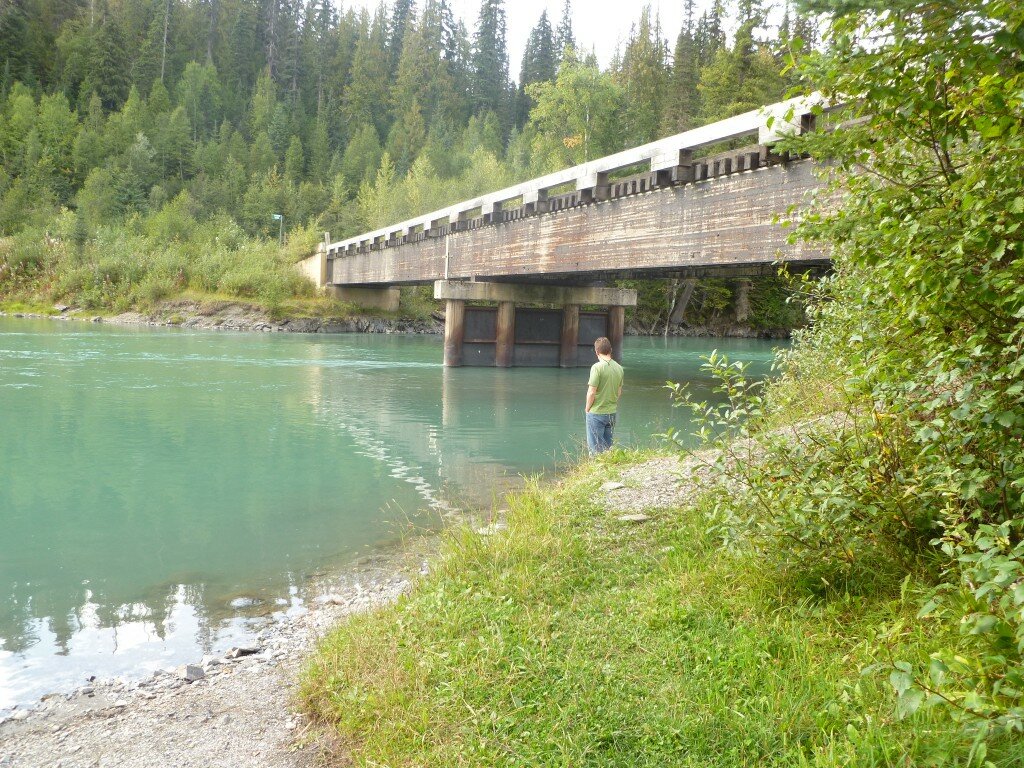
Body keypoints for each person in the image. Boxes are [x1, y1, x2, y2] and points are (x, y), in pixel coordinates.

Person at [584, 336, 624, 454]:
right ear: (610, 350)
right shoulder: (619, 368)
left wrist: (587, 409)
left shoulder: (597, 367)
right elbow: (619, 392)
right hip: (612, 413)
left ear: (596, 352)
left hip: (596, 413)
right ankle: (608, 468)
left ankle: (597, 470)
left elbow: (592, 392)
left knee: (595, 450)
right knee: (608, 448)